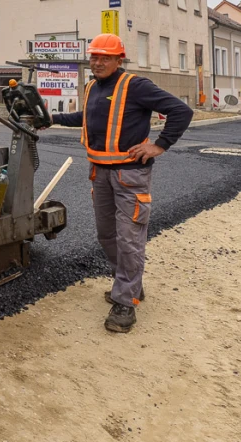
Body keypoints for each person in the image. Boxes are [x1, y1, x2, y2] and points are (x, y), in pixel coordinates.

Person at [43, 34, 193, 334]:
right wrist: (50, 118)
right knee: (107, 235)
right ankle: (130, 284)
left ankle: (125, 301)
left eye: (104, 57)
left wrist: (159, 145)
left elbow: (182, 111)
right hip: (100, 173)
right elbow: (86, 118)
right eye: (94, 57)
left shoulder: (135, 86)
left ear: (118, 60)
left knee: (129, 238)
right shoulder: (93, 87)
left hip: (130, 175)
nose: (97, 62)